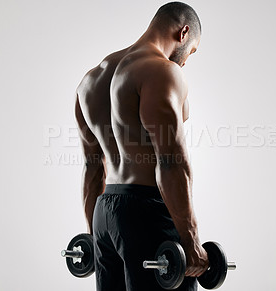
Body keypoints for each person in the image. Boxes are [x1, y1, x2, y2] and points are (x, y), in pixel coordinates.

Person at [75, 2, 208, 290]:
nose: (185, 61)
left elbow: (92, 167)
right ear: (184, 32)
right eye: (192, 51)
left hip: (104, 213)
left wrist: (96, 238)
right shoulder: (161, 71)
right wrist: (191, 240)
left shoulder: (91, 80)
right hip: (145, 212)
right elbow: (172, 161)